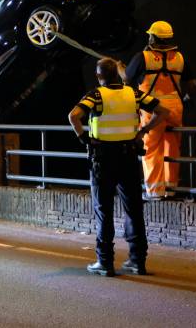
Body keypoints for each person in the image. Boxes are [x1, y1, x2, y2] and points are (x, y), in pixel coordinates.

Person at [68, 58, 169, 277]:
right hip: (128, 157)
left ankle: (105, 262)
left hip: (102, 159)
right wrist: (143, 131)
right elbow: (163, 111)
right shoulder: (133, 94)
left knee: (103, 210)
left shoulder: (95, 95)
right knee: (134, 209)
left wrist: (84, 138)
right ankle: (137, 261)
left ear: (99, 76)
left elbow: (73, 116)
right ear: (117, 75)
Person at [121, 21, 196, 200]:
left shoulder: (142, 57)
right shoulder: (179, 58)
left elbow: (126, 77)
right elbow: (193, 83)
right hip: (175, 109)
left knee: (151, 148)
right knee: (172, 147)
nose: (148, 37)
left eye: (150, 35)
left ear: (154, 37)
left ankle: (155, 192)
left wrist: (119, 68)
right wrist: (186, 98)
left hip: (152, 109)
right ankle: (171, 189)